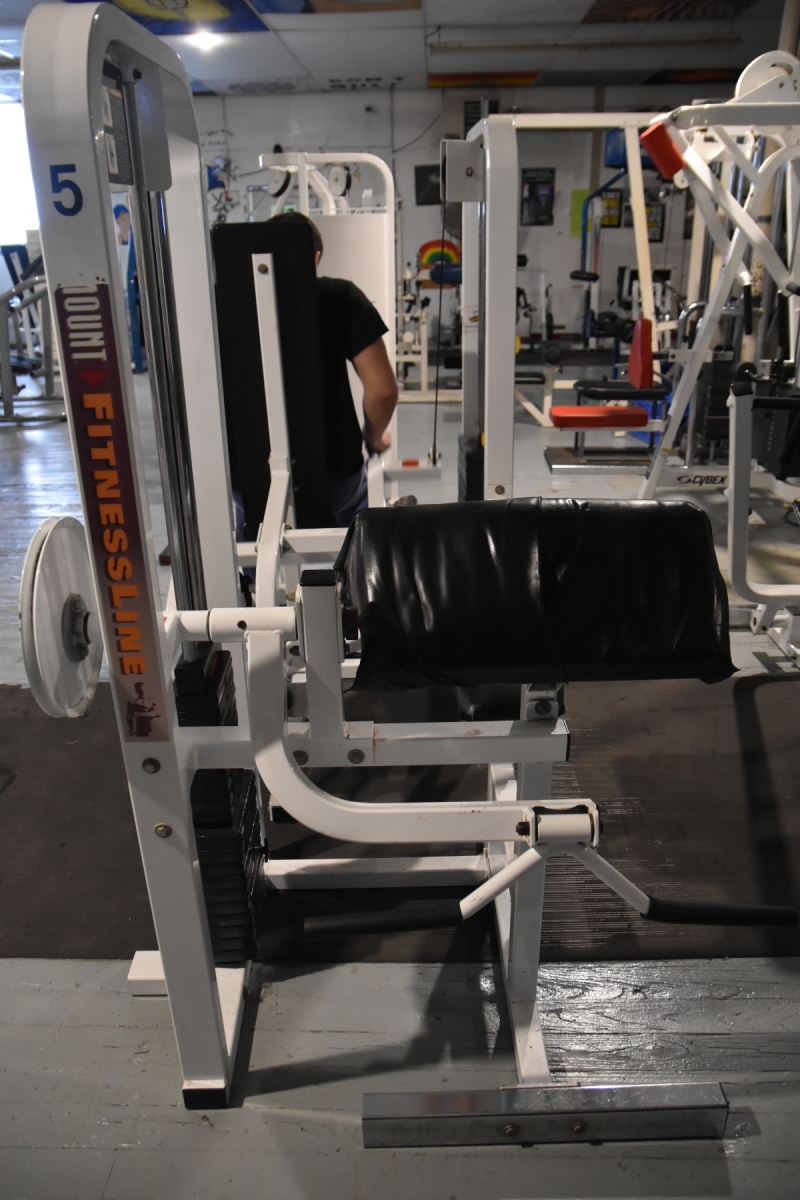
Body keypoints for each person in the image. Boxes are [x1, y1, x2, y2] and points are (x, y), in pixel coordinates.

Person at [266, 211, 398, 526]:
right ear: (315, 258)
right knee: (361, 502)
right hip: (334, 480)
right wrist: (374, 438)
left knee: (248, 514)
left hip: (249, 484)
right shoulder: (340, 297)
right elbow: (382, 391)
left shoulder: (223, 305)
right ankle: (354, 551)